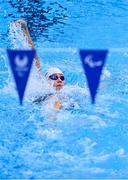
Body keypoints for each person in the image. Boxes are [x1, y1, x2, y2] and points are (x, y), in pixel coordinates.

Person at [14, 20, 66, 110]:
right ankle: (51, 121)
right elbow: (34, 59)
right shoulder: (42, 87)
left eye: (62, 77)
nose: (59, 79)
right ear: (47, 80)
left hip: (60, 107)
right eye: (54, 77)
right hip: (46, 103)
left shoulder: (70, 90)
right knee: (54, 100)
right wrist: (25, 30)